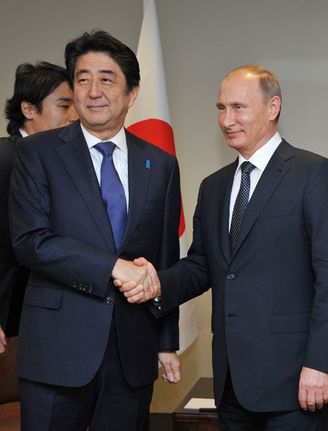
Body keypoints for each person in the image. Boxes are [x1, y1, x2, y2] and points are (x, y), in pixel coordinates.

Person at [119, 65, 328, 431]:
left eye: (238, 107)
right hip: (231, 384)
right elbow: (202, 266)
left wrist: (322, 364)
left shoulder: (315, 174)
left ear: (273, 107)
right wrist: (155, 281)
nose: (227, 119)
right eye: (220, 108)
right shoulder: (213, 187)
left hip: (295, 381)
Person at [9, 30, 181, 430]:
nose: (93, 91)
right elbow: (30, 242)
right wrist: (113, 267)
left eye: (107, 79)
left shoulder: (160, 164)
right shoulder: (37, 153)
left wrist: (167, 341)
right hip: (57, 352)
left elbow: (164, 257)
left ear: (132, 92)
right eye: (83, 79)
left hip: (131, 352)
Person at [0, 61, 78, 353]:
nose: (74, 116)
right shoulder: (5, 158)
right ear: (29, 110)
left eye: (75, 106)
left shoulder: (63, 163)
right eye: (64, 105)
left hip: (42, 318)